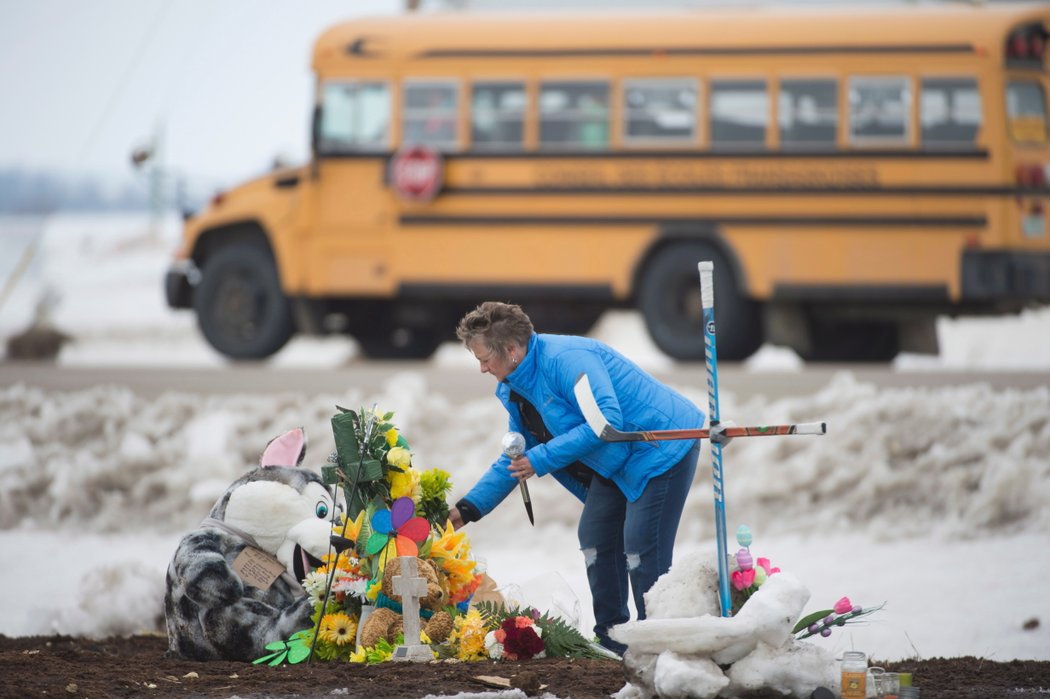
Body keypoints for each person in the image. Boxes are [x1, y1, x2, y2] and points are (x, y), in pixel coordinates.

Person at [448, 302, 703, 655]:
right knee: (595, 536)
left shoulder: (566, 359)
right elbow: (516, 456)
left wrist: (540, 459)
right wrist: (466, 509)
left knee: (640, 547)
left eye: (484, 358)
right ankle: (614, 641)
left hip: (660, 447)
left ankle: (659, 648)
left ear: (510, 350)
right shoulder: (516, 386)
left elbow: (605, 421)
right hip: (617, 460)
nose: (481, 368)